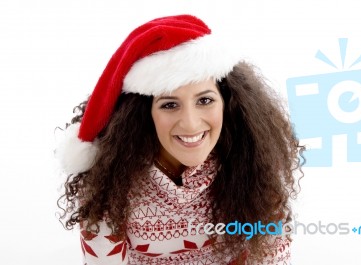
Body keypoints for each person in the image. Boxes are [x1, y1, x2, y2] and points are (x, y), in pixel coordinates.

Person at [55, 14, 304, 265]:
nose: (190, 123)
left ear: (227, 104)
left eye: (204, 100)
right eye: (170, 104)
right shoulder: (109, 185)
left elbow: (273, 257)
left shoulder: (254, 168)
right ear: (144, 114)